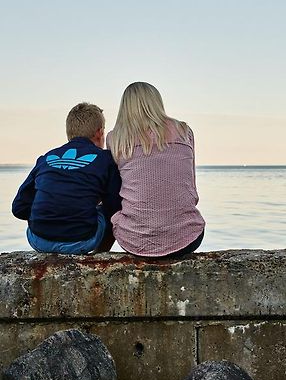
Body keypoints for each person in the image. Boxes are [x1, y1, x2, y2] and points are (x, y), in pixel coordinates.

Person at [107, 82, 205, 257]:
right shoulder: (183, 130)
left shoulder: (115, 138)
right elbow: (192, 187)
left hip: (134, 240)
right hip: (188, 238)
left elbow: (114, 192)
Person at [12, 103, 121, 254]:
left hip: (38, 240)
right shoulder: (105, 159)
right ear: (99, 132)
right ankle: (98, 255)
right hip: (83, 241)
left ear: (69, 133)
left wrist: (50, 211)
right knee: (110, 210)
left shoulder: (46, 158)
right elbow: (115, 207)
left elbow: (18, 208)